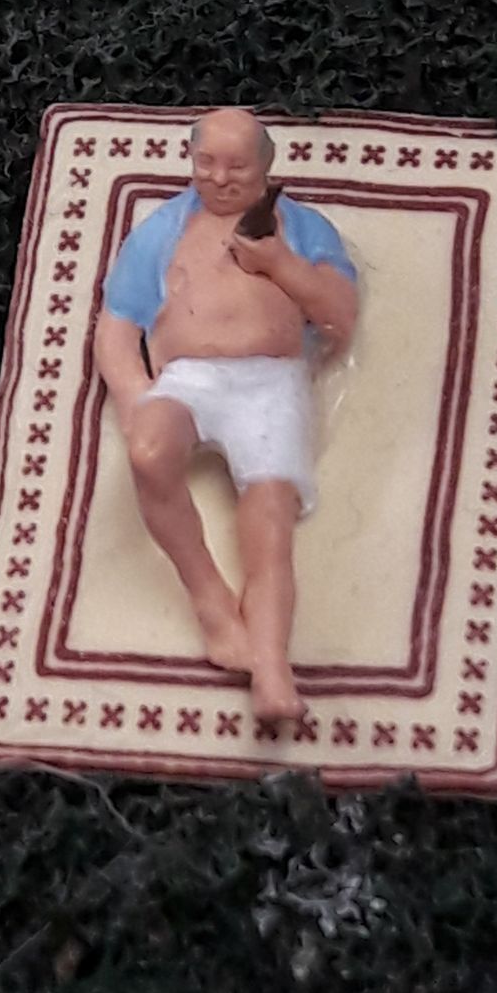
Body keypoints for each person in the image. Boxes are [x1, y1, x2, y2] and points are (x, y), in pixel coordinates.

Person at [93, 107, 358, 724]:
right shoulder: (162, 230)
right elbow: (117, 327)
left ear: (266, 167)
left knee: (268, 521)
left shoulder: (303, 228)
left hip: (271, 382)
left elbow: (340, 318)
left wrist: (279, 266)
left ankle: (271, 666)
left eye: (236, 165)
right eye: (206, 162)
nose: (219, 178)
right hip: (188, 377)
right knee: (149, 451)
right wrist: (135, 395)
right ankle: (210, 599)